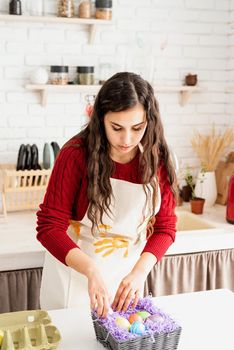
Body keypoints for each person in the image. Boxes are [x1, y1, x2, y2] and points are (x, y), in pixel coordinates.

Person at [36, 72, 177, 318]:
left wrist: (139, 273)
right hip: (75, 279)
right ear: (100, 119)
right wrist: (90, 270)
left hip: (126, 282)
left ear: (149, 121)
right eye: (116, 128)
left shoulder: (158, 159)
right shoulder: (76, 155)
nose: (127, 139)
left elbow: (165, 228)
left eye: (137, 128)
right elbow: (49, 227)